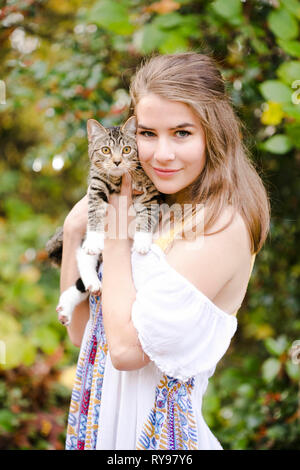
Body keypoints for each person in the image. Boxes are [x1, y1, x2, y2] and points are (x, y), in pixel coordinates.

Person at [61, 52, 270, 450]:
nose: (161, 154)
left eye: (182, 133)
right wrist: (74, 232)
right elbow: (82, 333)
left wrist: (116, 234)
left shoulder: (222, 225)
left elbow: (124, 351)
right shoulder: (157, 209)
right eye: (147, 133)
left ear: (215, 132)